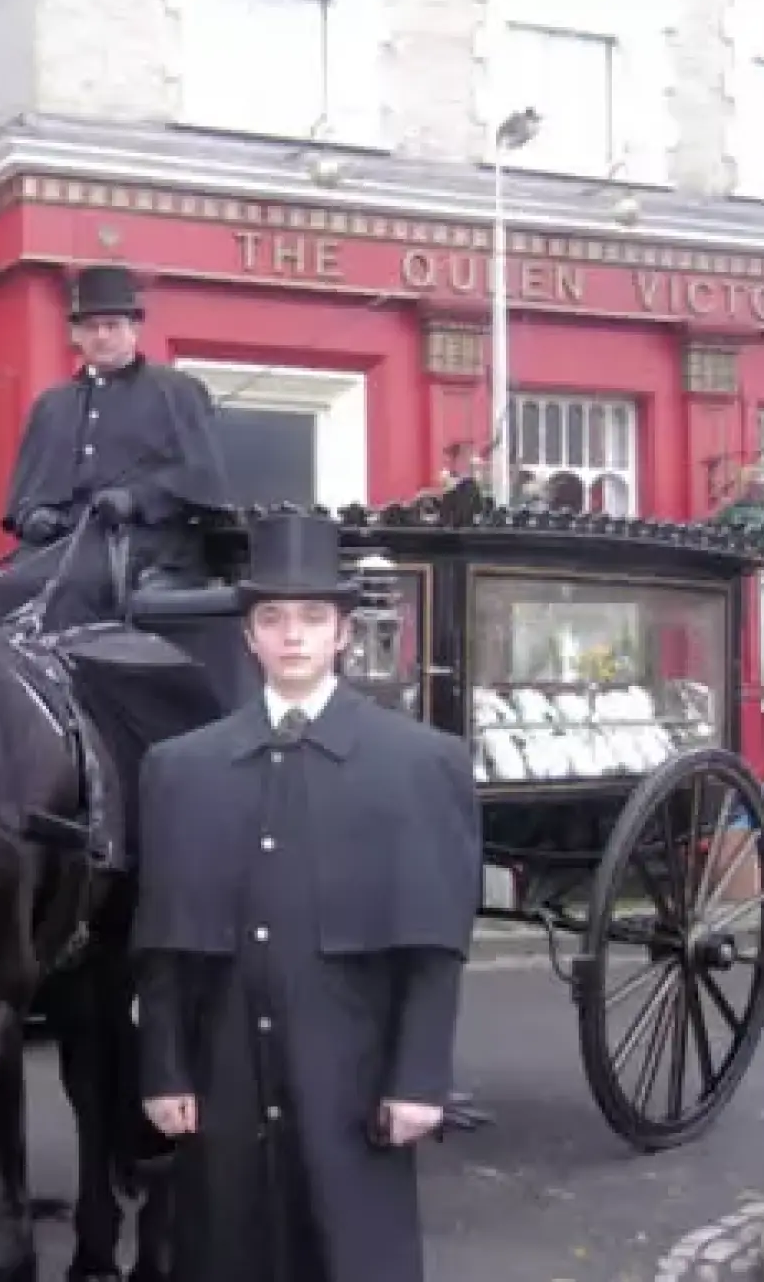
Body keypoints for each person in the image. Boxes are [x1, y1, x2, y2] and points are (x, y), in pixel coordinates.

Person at [129, 510, 484, 1282]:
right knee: (226, 1246)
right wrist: (164, 1070)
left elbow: (432, 948)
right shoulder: (180, 770)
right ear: (248, 636)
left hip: (350, 1078)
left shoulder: (420, 764)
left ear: (343, 635)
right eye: (273, 618)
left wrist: (419, 1080)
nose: (293, 635)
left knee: (349, 1250)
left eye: (313, 618)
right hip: (222, 1072)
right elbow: (160, 944)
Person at [0, 263, 231, 630]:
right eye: (91, 327)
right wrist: (33, 514)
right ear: (76, 335)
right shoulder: (52, 405)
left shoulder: (177, 392)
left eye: (112, 326)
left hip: (146, 544)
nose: (102, 336)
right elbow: (24, 495)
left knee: (70, 587)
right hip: (61, 544)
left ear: (133, 330)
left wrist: (138, 499)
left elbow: (201, 478)